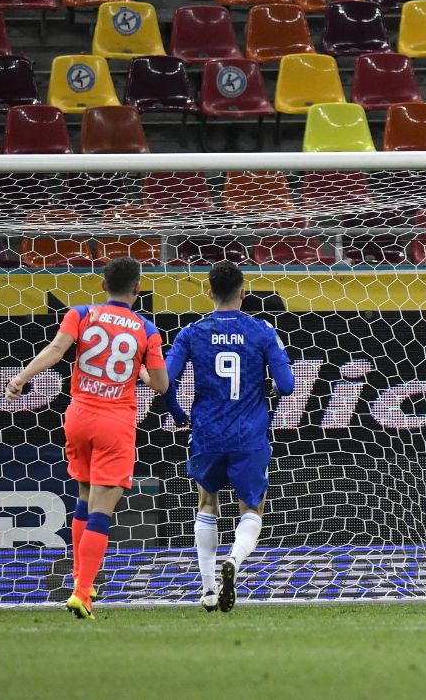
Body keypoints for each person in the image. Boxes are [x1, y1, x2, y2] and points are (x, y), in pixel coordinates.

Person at [5, 257, 168, 620]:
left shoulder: (80, 313)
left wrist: (21, 378)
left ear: (102, 284)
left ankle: (81, 578)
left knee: (83, 496)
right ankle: (82, 594)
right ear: (138, 288)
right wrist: (142, 370)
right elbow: (161, 384)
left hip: (78, 416)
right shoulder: (147, 329)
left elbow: (55, 351)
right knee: (102, 510)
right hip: (115, 422)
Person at [164, 261, 295, 613]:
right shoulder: (261, 330)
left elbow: (165, 380)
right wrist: (268, 392)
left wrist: (177, 413)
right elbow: (287, 385)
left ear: (209, 293)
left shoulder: (191, 332)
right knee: (252, 507)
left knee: (207, 503)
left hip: (207, 432)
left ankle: (208, 589)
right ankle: (234, 561)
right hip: (249, 433)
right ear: (243, 293)